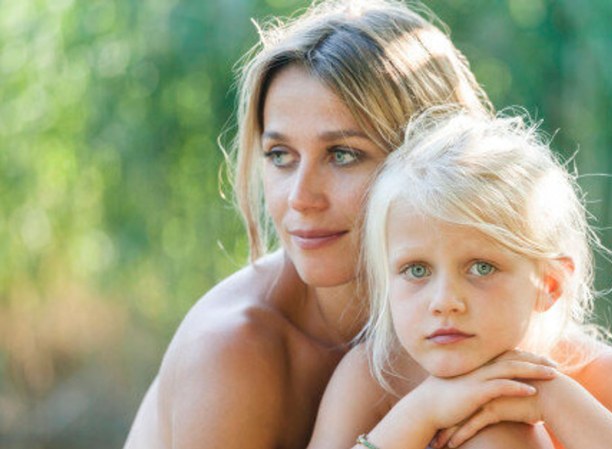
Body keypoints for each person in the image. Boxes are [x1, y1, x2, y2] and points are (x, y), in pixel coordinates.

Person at [123, 1, 492, 448]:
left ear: (433, 160)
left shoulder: (486, 308)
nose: (300, 197)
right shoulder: (234, 349)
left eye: (342, 155)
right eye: (281, 156)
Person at [307, 109, 612, 449]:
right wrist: (421, 411)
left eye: (481, 268)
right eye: (416, 270)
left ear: (549, 284)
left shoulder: (607, 377)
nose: (445, 301)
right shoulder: (377, 375)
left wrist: (554, 400)